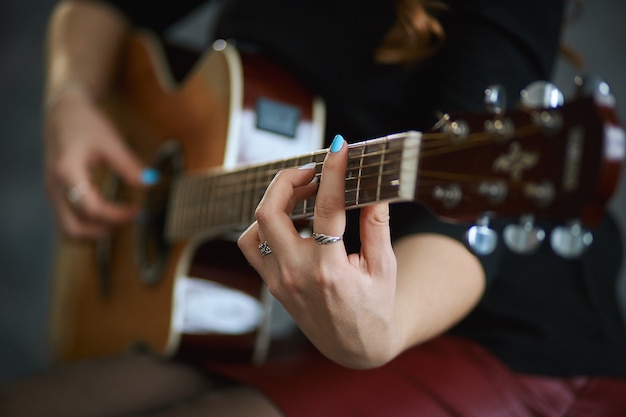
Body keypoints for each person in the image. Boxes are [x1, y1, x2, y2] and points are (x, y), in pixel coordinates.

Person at [1, 0, 626, 416]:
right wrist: (71, 97)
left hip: (496, 336)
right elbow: (102, 7)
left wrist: (379, 332)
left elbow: (465, 223)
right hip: (295, 315)